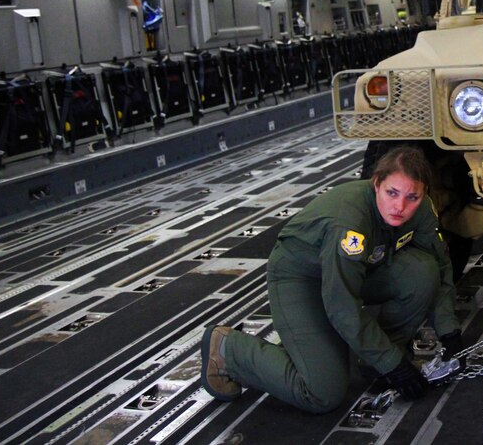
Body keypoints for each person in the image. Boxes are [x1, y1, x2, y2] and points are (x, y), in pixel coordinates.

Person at [199, 145, 464, 412]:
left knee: (422, 271)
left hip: (357, 271)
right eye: (391, 193)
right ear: (376, 184)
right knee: (322, 392)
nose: (400, 206)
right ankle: (228, 350)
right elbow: (341, 303)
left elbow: (441, 267)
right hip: (302, 280)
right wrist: (393, 363)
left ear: (423, 195)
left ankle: (375, 362)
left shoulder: (421, 211)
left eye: (412, 197)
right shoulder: (349, 224)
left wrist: (449, 330)